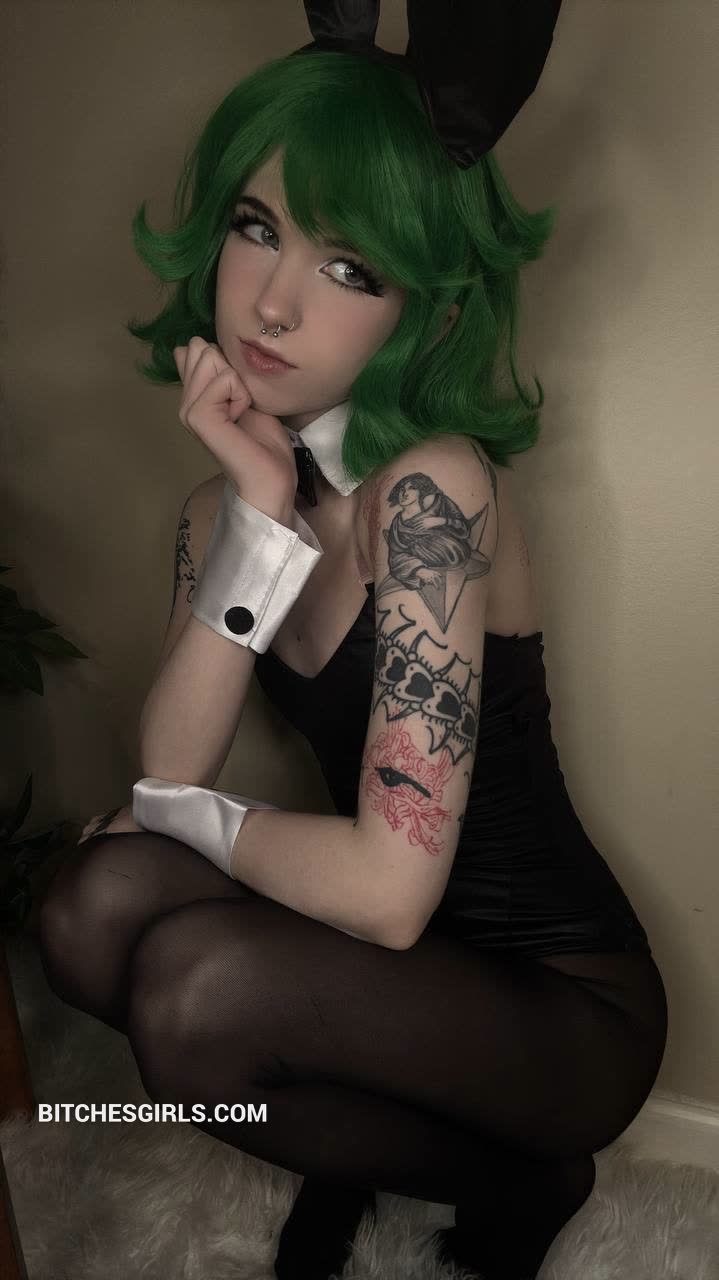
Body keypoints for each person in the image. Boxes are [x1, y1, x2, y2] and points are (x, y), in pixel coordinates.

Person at [36, 37, 668, 1280]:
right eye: (256, 227)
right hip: (387, 964)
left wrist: (187, 818)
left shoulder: (431, 489)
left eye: (348, 267)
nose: (272, 304)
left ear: (425, 306)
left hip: (556, 1003)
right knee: (86, 908)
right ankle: (360, 1129)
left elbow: (380, 888)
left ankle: (524, 1173)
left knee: (196, 994)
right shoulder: (219, 511)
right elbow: (170, 761)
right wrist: (256, 514)